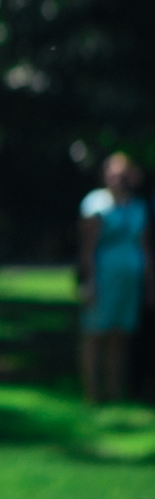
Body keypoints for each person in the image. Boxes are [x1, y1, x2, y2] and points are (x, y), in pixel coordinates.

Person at [78, 152, 153, 403]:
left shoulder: (138, 206)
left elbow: (144, 247)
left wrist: (150, 283)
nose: (117, 178)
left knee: (119, 337)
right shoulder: (94, 204)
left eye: (121, 173)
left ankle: (113, 393)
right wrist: (87, 281)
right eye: (112, 172)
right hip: (103, 276)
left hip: (129, 279)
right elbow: (87, 247)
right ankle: (92, 394)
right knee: (95, 334)